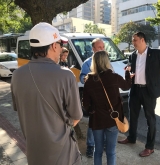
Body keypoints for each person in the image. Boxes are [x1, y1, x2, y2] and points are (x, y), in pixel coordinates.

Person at [11, 22, 83, 165]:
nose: (61, 49)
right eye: (60, 45)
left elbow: (19, 108)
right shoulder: (66, 75)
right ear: (54, 46)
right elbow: (76, 117)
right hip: (63, 155)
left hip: (34, 154)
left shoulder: (17, 75)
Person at [82, 50, 131, 165]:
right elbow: (126, 86)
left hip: (97, 120)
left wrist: (91, 111)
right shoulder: (114, 77)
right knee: (111, 152)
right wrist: (128, 74)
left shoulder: (89, 81)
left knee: (97, 151)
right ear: (106, 62)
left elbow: (85, 103)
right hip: (112, 119)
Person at [79, 38, 105, 158]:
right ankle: (90, 146)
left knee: (105, 122)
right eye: (99, 47)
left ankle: (102, 144)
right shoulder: (87, 63)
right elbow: (82, 78)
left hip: (105, 99)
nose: (102, 49)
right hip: (94, 99)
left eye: (103, 47)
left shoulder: (106, 61)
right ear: (93, 49)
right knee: (93, 123)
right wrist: (92, 80)